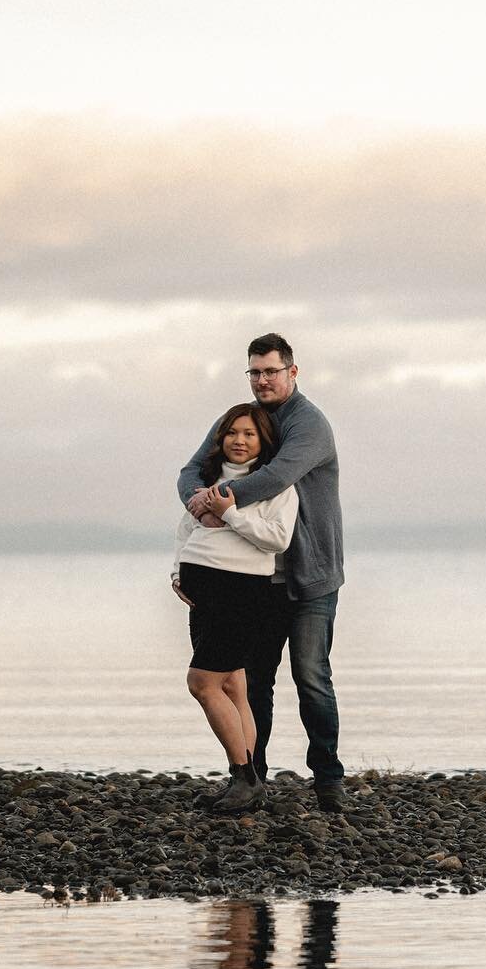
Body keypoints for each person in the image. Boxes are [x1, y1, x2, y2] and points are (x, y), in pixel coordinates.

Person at [179, 333, 347, 812]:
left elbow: (275, 478)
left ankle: (328, 780)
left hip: (311, 572)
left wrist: (220, 503)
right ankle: (253, 777)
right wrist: (200, 504)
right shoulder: (240, 419)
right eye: (254, 372)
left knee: (312, 676)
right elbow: (193, 470)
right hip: (257, 577)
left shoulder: (309, 424)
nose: (262, 380)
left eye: (271, 371)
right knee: (254, 681)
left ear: (293, 372)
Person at [172, 402, 298, 814]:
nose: (239, 441)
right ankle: (248, 781)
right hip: (203, 593)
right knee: (232, 686)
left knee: (202, 683)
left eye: (249, 434)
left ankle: (244, 777)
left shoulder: (276, 485)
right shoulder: (207, 481)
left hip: (242, 594)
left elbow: (277, 540)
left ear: (263, 441)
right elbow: (185, 528)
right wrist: (177, 572)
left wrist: (230, 515)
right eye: (232, 433)